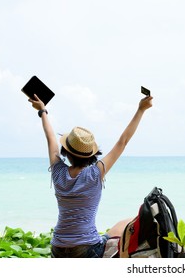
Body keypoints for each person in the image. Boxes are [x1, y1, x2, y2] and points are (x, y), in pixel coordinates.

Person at [28, 93, 153, 258]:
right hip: (87, 249)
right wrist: (141, 109)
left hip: (57, 247)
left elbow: (50, 139)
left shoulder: (58, 172)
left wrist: (43, 110)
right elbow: (123, 142)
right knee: (128, 223)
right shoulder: (95, 173)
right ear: (91, 155)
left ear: (65, 151)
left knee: (116, 228)